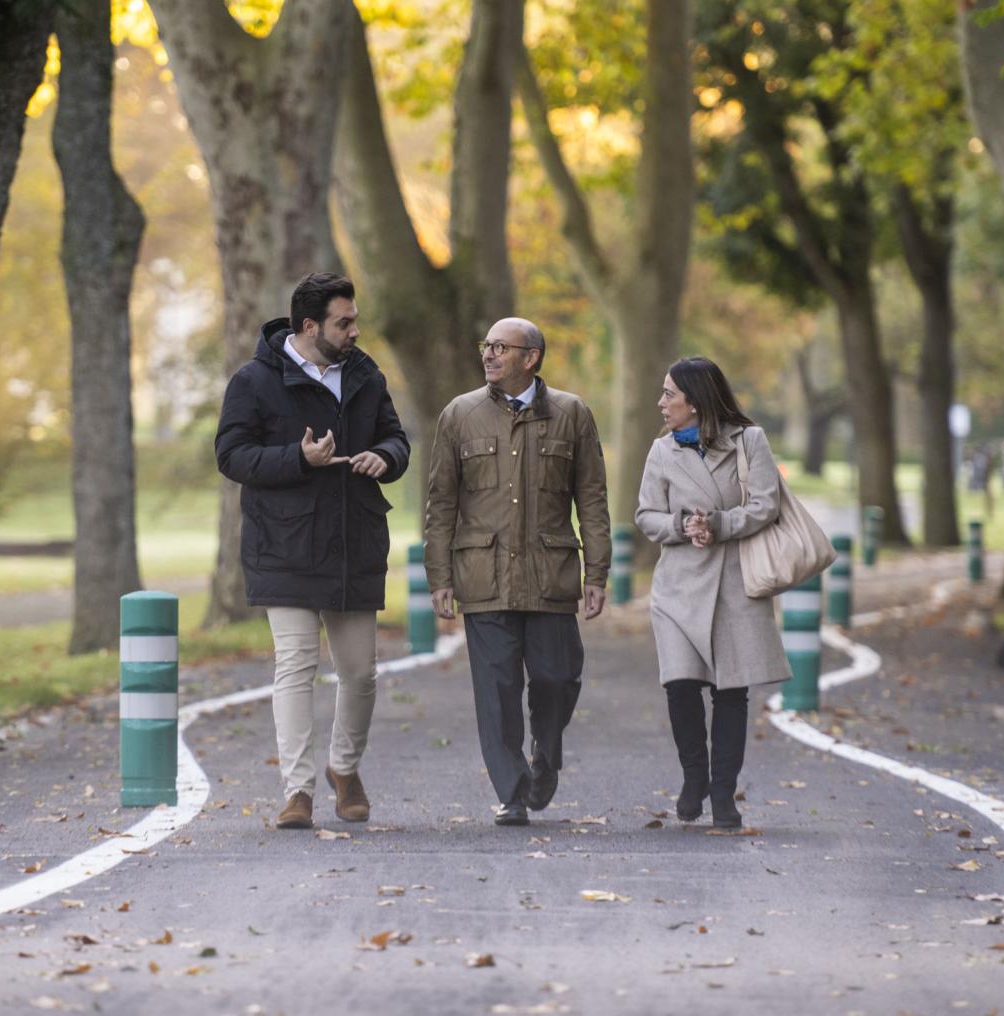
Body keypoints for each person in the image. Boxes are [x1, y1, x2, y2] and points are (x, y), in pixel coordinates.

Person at [214, 272, 410, 831]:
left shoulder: (367, 375)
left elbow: (396, 438)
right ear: (309, 326)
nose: (354, 331)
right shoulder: (253, 381)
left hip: (354, 541)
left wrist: (384, 458)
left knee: (360, 673)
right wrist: (298, 459)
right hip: (285, 543)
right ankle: (296, 790)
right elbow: (231, 456)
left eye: (354, 320)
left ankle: (343, 769)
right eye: (343, 322)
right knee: (295, 666)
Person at [423, 318, 610, 826]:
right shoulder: (459, 415)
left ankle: (545, 756)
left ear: (531, 358)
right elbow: (441, 503)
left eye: (501, 347)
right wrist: (439, 577)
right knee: (497, 689)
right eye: (486, 345)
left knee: (557, 678)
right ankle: (512, 790)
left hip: (550, 575)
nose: (489, 354)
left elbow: (591, 499)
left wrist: (597, 572)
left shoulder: (572, 415)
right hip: (483, 576)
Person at [633, 356, 790, 829]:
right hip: (679, 585)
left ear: (696, 402)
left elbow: (766, 504)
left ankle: (724, 794)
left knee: (730, 692)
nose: (661, 403)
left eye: (669, 395)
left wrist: (721, 524)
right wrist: (683, 525)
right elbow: (645, 515)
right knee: (679, 684)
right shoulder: (662, 451)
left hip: (734, 582)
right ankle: (693, 777)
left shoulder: (750, 442)